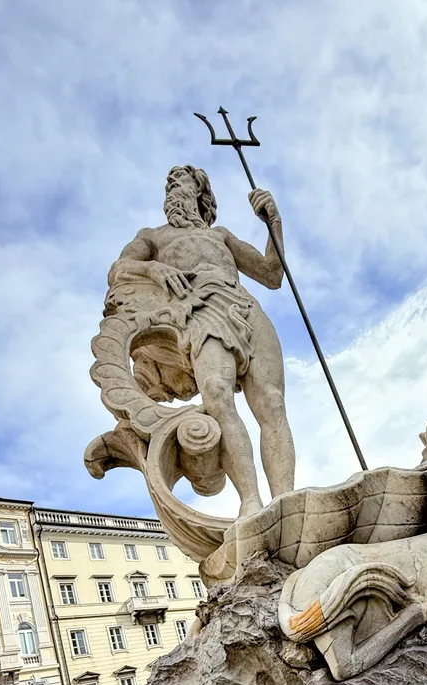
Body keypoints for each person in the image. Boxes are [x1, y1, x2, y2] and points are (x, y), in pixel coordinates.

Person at [106, 164, 296, 517]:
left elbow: (272, 274)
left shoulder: (220, 235)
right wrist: (153, 268)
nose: (172, 186)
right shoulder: (152, 236)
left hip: (244, 307)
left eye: (181, 180)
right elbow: (118, 269)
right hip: (199, 309)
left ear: (200, 191)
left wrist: (274, 223)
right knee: (218, 396)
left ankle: (287, 501)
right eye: (170, 183)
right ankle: (251, 502)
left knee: (273, 403)